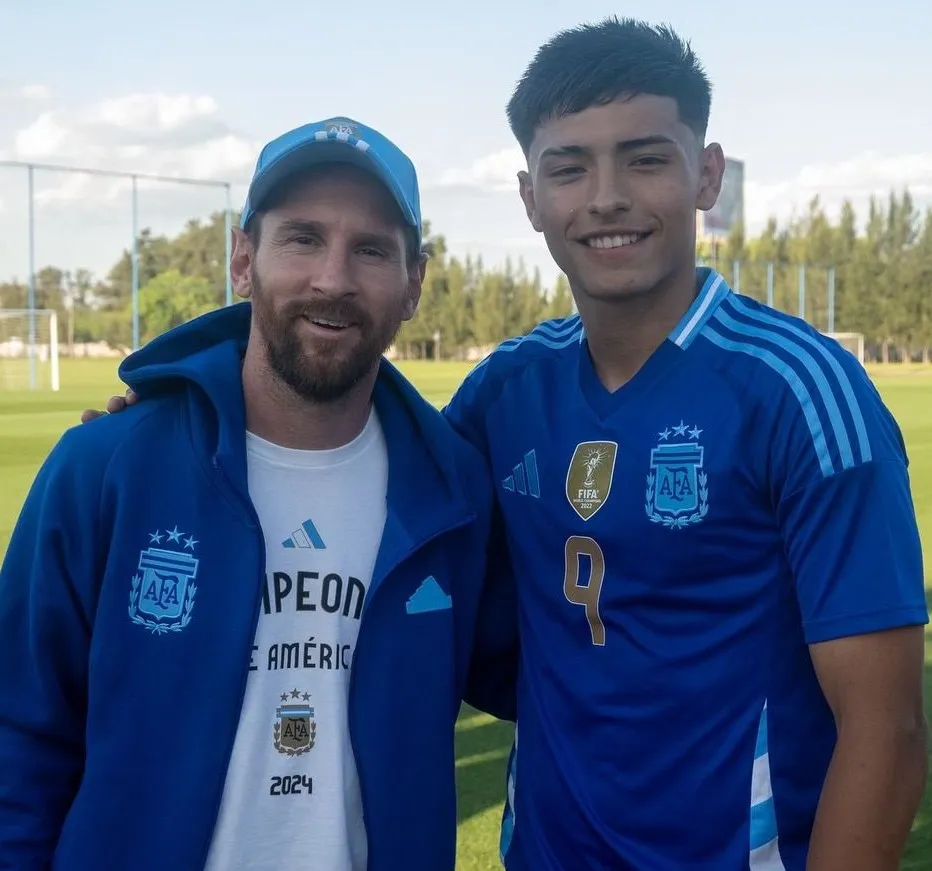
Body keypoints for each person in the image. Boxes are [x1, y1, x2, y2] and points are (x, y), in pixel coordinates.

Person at [81, 17, 930, 871]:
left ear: (705, 174)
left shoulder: (801, 393)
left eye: (645, 157)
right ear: (531, 199)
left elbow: (885, 729)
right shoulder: (506, 393)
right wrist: (175, 426)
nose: (606, 196)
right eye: (569, 167)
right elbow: (346, 462)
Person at [0, 116, 516, 871]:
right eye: (302, 238)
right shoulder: (106, 467)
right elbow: (18, 734)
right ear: (244, 258)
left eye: (371, 249)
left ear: (414, 283)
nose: (333, 278)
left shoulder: (454, 493)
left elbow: (550, 672)